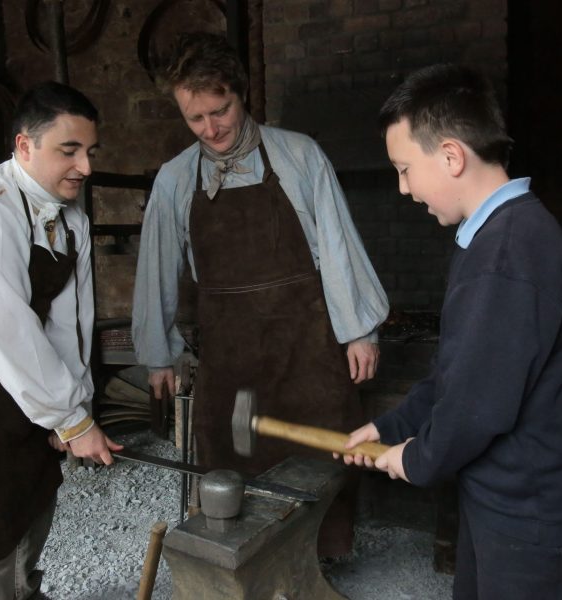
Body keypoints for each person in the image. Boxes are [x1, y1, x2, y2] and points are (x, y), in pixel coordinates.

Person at [132, 31, 389, 557]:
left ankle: (320, 558)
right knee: (235, 459)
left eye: (220, 110)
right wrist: (158, 354)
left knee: (322, 452)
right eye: (196, 119)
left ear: (241, 93)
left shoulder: (298, 155)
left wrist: (359, 330)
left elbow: (338, 247)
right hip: (233, 357)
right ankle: (245, 559)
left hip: (307, 348)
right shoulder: (175, 180)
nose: (212, 129)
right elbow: (156, 269)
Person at [341, 64, 562, 598]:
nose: (402, 188)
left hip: (526, 514)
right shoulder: (495, 236)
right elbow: (457, 371)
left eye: (404, 168)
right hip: (500, 498)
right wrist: (395, 425)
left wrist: (415, 458)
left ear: (450, 156)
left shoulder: (507, 253)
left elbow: (477, 405)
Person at [0, 81, 123, 600]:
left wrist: (74, 409)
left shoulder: (69, 217)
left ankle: (24, 590)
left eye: (90, 151)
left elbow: (70, 325)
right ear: (24, 146)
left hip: (27, 390)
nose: (86, 167)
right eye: (69, 151)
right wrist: (71, 420)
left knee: (34, 495)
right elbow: (5, 327)